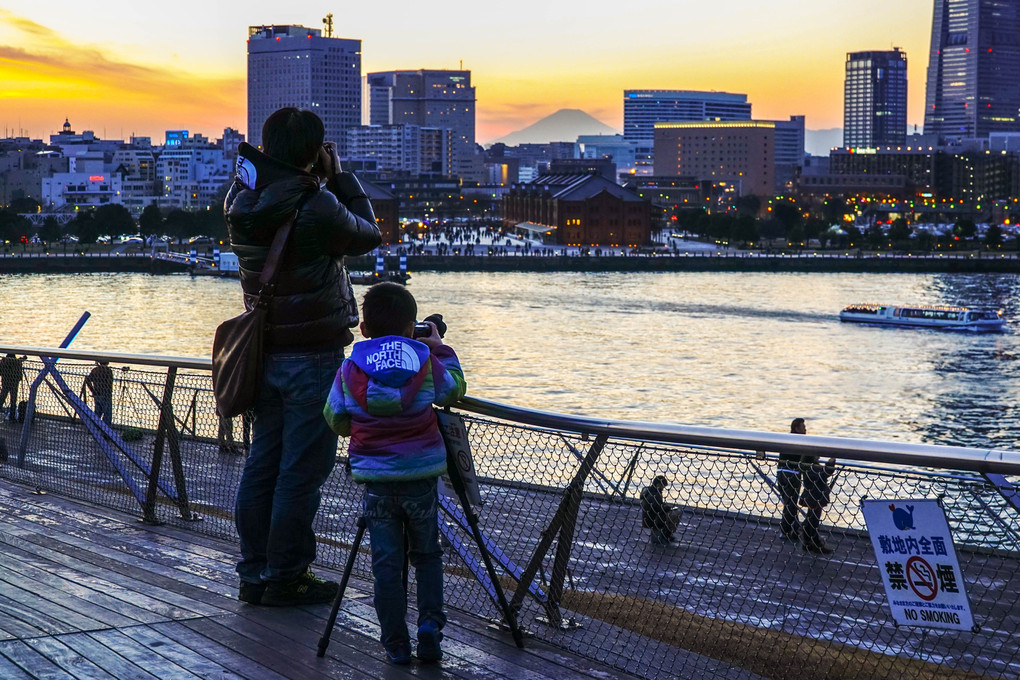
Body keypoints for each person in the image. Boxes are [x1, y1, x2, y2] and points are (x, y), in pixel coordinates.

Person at [225, 107, 382, 607]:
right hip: (313, 353)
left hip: (263, 351)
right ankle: (287, 576)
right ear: (314, 150)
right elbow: (368, 235)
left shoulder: (239, 198)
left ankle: (254, 573)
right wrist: (342, 178)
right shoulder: (316, 204)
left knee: (262, 465)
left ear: (267, 147)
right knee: (301, 472)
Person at [323, 282, 467, 665]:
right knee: (427, 555)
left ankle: (395, 644)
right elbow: (454, 390)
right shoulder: (425, 361)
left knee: (386, 563)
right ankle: (430, 627)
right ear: (411, 328)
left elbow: (336, 418)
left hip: (376, 483)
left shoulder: (350, 368)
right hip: (420, 479)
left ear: (364, 329)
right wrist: (440, 348)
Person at [776, 417, 807, 541]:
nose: (805, 429)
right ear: (796, 428)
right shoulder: (800, 440)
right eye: (803, 427)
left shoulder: (786, 439)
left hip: (780, 472)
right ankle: (785, 530)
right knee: (791, 503)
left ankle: (794, 527)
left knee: (788, 502)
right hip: (792, 473)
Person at [800, 455, 837, 555]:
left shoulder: (805, 466)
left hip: (810, 494)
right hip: (816, 496)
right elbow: (825, 473)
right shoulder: (813, 467)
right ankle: (816, 543)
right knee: (814, 519)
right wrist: (831, 463)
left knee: (810, 517)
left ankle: (807, 541)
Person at [641, 475, 681, 545]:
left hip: (648, 517)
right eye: (663, 486)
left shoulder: (649, 491)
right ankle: (667, 534)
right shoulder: (655, 494)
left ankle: (666, 533)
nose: (663, 489)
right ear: (659, 485)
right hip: (655, 518)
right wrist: (667, 508)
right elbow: (658, 509)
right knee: (677, 514)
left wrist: (663, 506)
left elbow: (656, 506)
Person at [84, 360, 114, 426]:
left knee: (97, 412)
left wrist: (93, 390)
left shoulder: (95, 370)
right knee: (107, 414)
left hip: (97, 394)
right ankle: (106, 429)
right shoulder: (108, 371)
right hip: (106, 394)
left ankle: (94, 427)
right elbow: (109, 383)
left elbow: (88, 380)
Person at [0, 353, 24, 421]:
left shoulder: (3, 361)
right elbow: (20, 360)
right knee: (13, 400)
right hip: (14, 383)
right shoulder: (17, 362)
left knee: (2, 397)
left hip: (5, 382)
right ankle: (12, 416)